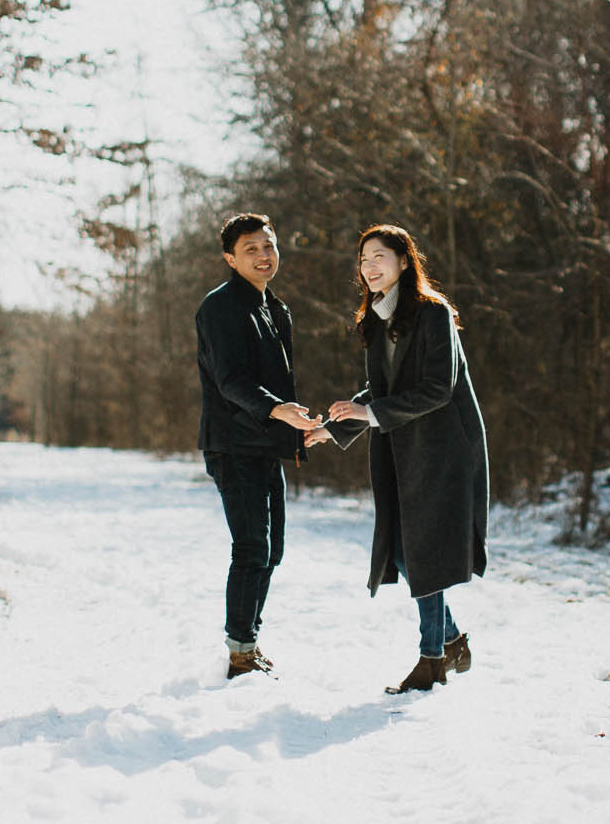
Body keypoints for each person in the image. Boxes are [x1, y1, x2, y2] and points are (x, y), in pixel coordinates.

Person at [311, 224, 489, 694]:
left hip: (445, 447)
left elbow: (437, 388)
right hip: (404, 446)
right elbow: (383, 391)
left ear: (404, 261)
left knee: (423, 551)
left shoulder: (434, 315)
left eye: (379, 257)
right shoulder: (375, 319)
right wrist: (336, 426)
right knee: (406, 553)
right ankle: (450, 640)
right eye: (364, 259)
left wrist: (370, 413)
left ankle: (431, 659)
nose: (369, 267)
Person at [195, 213, 323, 679]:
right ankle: (240, 653)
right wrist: (276, 409)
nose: (263, 255)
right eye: (251, 249)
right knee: (251, 547)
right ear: (230, 258)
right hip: (232, 445)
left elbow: (277, 383)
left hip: (266, 445)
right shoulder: (220, 307)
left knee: (272, 550)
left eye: (268, 246)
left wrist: (296, 425)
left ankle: (248, 641)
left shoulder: (276, 308)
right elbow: (230, 382)